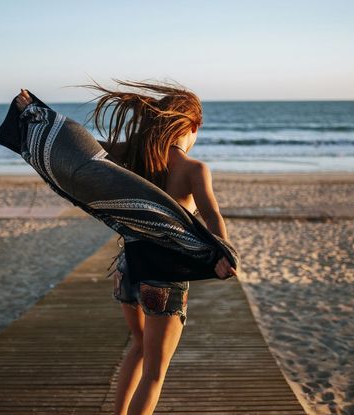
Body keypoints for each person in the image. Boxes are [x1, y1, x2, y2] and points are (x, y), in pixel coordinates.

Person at [15, 81, 237, 415]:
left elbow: (83, 151)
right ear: (191, 128)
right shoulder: (194, 170)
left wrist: (39, 117)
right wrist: (223, 254)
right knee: (154, 374)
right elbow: (213, 218)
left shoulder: (132, 156)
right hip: (164, 278)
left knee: (138, 346)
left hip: (128, 271)